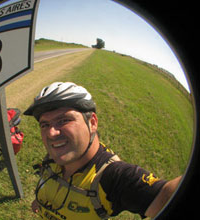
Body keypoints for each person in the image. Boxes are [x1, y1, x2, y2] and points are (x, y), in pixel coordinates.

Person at [24, 82, 181, 219]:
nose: (51, 133)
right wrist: (40, 201)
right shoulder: (54, 157)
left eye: (64, 120)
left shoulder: (112, 177)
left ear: (92, 123)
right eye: (44, 124)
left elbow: (166, 196)